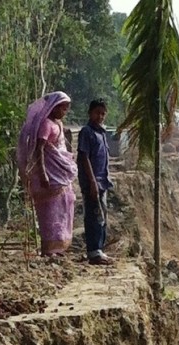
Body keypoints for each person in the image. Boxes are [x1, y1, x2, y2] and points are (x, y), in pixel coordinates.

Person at [16, 91, 78, 257]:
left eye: (66, 109)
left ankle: (59, 246)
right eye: (62, 108)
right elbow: (40, 149)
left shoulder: (58, 124)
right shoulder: (46, 125)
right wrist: (43, 173)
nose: (64, 112)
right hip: (50, 173)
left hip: (60, 172)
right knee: (49, 211)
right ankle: (48, 248)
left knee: (64, 205)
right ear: (54, 107)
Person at [76, 99, 114, 265]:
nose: (100, 116)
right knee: (94, 216)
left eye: (103, 113)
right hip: (93, 182)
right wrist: (91, 181)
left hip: (102, 181)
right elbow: (84, 158)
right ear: (90, 113)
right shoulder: (87, 132)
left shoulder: (102, 133)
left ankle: (100, 250)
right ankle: (93, 252)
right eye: (97, 113)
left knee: (102, 215)